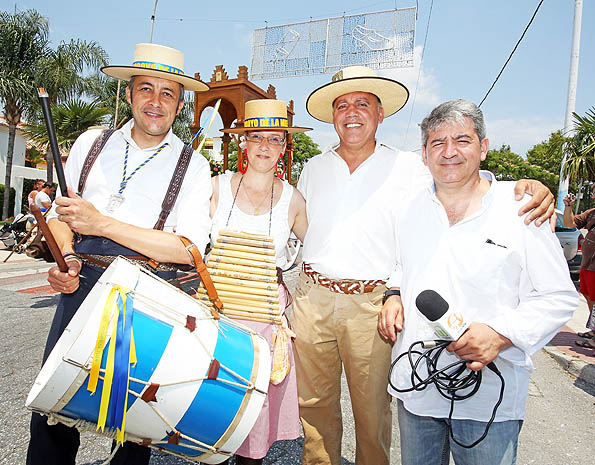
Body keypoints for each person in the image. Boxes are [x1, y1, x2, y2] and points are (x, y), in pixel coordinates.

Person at [293, 66, 556, 465]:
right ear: (332, 115)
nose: (351, 112)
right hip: (311, 297)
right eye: (342, 105)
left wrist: (530, 188)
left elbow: (461, 186)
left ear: (381, 114)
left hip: (371, 304)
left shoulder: (410, 168)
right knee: (311, 405)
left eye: (363, 103)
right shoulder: (312, 168)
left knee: (371, 410)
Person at [26, 42, 212, 465]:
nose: (155, 101)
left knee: (135, 423)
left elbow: (189, 250)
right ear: (127, 94)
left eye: (168, 93)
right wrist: (66, 258)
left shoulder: (193, 166)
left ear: (179, 104)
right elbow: (61, 216)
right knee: (53, 411)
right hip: (80, 287)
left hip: (146, 297)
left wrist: (103, 225)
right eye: (146, 88)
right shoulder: (92, 142)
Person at [378, 99, 578, 465]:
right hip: (419, 389)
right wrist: (393, 293)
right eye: (437, 143)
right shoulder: (407, 210)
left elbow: (559, 296)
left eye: (462, 140)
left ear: (484, 147)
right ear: (424, 154)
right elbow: (402, 264)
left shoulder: (520, 208)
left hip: (490, 398)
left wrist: (500, 334)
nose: (449, 152)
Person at [214, 99, 309, 465]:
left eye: (275, 139)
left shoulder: (294, 199)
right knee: (213, 415)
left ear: (284, 146)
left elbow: (318, 253)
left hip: (265, 318)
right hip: (218, 316)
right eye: (257, 137)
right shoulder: (215, 189)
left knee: (254, 427)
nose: (265, 147)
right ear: (243, 142)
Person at [563, 190, 595, 349]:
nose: (594, 195)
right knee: (589, 296)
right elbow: (570, 223)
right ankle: (594, 330)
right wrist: (568, 206)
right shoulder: (591, 214)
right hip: (588, 264)